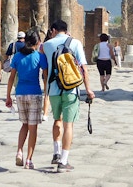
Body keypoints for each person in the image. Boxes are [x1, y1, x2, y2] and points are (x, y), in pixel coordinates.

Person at [42, 20, 95, 172]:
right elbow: (83, 69)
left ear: (53, 30)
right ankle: (63, 161)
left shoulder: (46, 45)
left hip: (53, 89)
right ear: (66, 30)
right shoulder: (76, 43)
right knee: (68, 125)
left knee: (57, 120)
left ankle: (56, 153)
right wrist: (88, 90)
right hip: (71, 89)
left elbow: (44, 70)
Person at [5, 29, 48, 170]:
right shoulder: (39, 57)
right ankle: (29, 159)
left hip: (20, 93)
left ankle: (19, 151)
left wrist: (8, 96)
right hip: (34, 93)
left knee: (24, 124)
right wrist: (47, 93)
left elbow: (11, 78)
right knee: (33, 127)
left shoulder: (17, 56)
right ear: (37, 42)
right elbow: (46, 77)